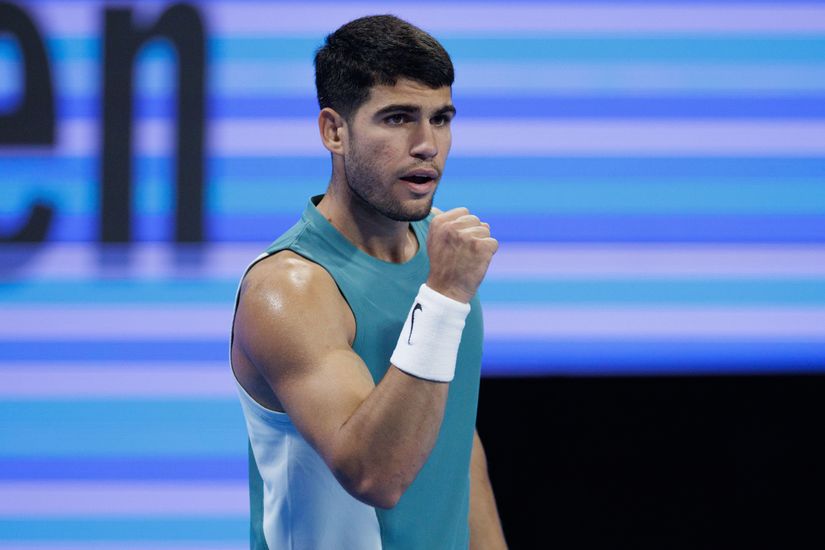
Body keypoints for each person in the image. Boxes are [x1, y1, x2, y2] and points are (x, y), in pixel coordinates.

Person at [230, 14, 507, 550]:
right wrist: (445, 296)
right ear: (335, 131)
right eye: (399, 118)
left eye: (441, 118)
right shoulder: (289, 288)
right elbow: (375, 475)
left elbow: (453, 445)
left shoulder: (441, 254)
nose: (427, 144)